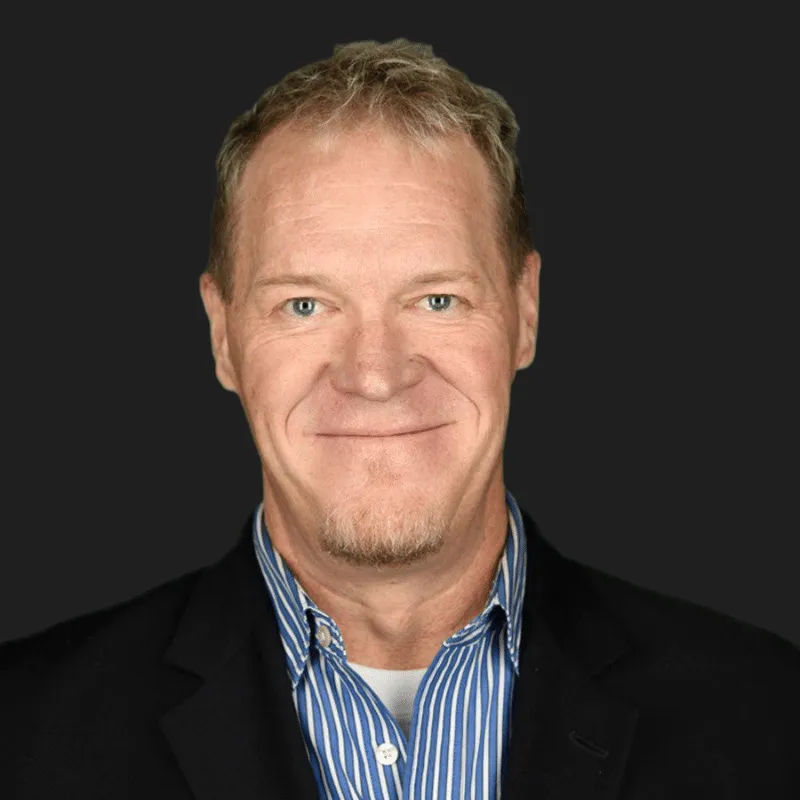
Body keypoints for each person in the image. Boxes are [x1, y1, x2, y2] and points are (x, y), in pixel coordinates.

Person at [1, 38, 797, 800]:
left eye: (437, 299)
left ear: (525, 313)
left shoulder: (769, 721)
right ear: (223, 336)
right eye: (305, 304)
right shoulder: (24, 734)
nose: (376, 375)